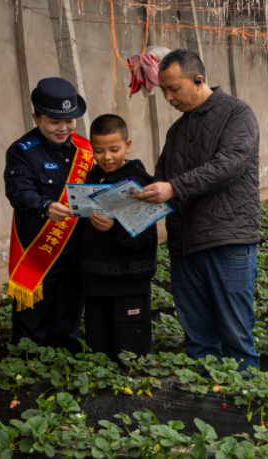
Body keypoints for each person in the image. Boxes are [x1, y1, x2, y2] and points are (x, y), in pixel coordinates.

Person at [133, 50, 261, 371]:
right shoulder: (176, 132)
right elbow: (161, 181)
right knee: (198, 341)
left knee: (235, 337)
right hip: (185, 247)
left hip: (227, 242)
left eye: (174, 88)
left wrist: (174, 188)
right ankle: (207, 395)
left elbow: (229, 164)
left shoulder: (237, 113)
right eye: (163, 90)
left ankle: (244, 399)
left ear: (199, 80)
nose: (168, 97)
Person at [4, 77, 90, 351]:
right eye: (54, 122)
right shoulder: (22, 152)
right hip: (39, 255)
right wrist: (45, 207)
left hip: (76, 254)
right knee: (31, 330)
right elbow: (19, 192)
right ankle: (29, 373)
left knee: (67, 327)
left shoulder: (85, 150)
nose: (63, 128)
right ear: (36, 118)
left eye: (70, 121)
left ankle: (63, 371)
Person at [80, 114, 158, 364]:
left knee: (130, 355)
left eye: (114, 149)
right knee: (99, 353)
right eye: (99, 150)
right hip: (95, 284)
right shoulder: (90, 180)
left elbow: (145, 238)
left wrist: (114, 228)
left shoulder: (138, 184)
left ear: (128, 145)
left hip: (130, 286)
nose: (107, 157)